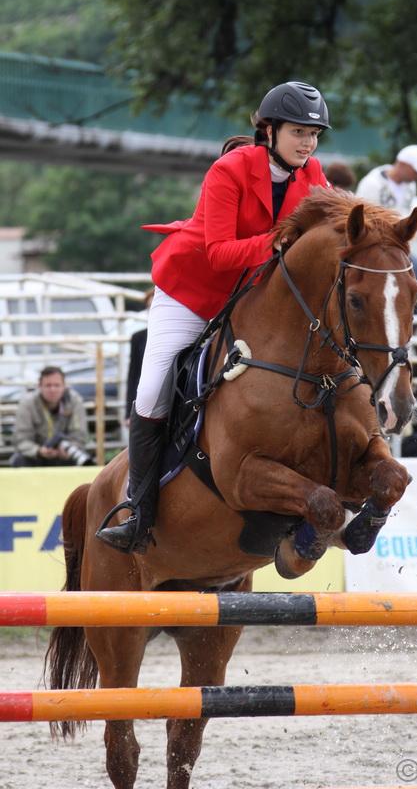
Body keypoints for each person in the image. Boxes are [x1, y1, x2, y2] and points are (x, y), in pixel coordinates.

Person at [97, 80, 332, 554]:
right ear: (269, 130)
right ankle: (138, 511)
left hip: (247, 300)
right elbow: (221, 253)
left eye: (313, 134)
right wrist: (278, 241)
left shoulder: (312, 175)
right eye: (298, 132)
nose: (308, 143)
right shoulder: (230, 169)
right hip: (192, 293)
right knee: (153, 389)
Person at [356, 144, 417, 292]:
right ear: (402, 164)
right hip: (374, 252)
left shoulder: (410, 186)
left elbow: (408, 221)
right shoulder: (372, 184)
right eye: (416, 171)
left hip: (399, 250)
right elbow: (364, 221)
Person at [10, 366, 92, 467]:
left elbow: (80, 435)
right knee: (19, 460)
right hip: (36, 456)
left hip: (65, 455)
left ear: (64, 386)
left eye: (57, 385)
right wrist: (39, 451)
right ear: (39, 386)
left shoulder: (75, 401)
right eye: (48, 385)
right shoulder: (27, 403)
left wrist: (69, 448)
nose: (52, 389)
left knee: (84, 460)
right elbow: (21, 439)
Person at [125, 288, 154, 426]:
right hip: (143, 400)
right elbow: (133, 375)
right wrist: (128, 413)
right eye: (149, 307)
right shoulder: (138, 338)